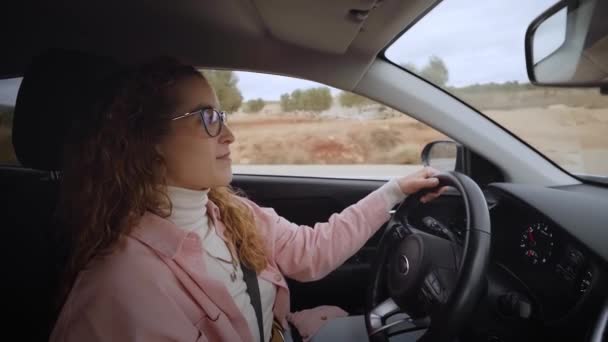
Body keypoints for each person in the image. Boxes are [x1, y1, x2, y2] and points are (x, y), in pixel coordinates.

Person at [49, 57, 445, 342]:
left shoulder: (227, 211)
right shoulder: (119, 290)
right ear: (148, 143)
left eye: (223, 117)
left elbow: (311, 252)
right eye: (208, 119)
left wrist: (395, 190)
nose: (229, 136)